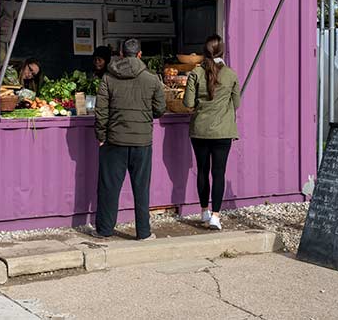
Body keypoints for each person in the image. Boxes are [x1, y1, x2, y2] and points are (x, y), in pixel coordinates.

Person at [93, 38, 166, 240]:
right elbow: (160, 109)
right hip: (142, 141)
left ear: (121, 54)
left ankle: (104, 230)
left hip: (114, 140)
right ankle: (143, 232)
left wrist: (101, 135)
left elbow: (101, 111)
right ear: (140, 54)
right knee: (141, 188)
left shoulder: (108, 78)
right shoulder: (152, 79)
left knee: (109, 187)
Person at [182, 34, 240, 231]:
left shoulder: (196, 73)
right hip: (223, 131)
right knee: (219, 172)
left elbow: (188, 103)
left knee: (202, 170)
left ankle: (204, 211)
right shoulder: (231, 74)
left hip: (200, 130)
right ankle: (216, 216)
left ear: (204, 52)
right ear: (222, 51)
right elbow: (237, 103)